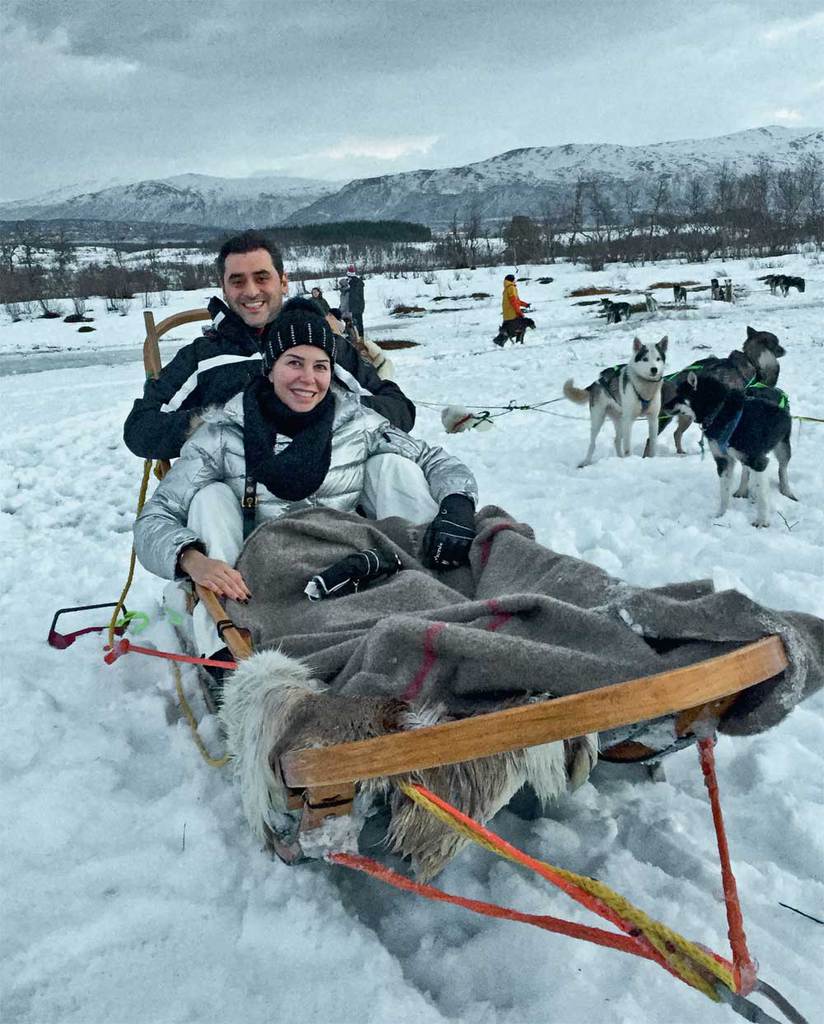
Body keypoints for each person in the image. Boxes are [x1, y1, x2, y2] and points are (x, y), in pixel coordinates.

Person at [133, 298, 478, 664]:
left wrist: (457, 503)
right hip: (262, 583)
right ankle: (227, 646)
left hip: (347, 568)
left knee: (394, 466)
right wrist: (189, 558)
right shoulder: (222, 435)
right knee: (209, 497)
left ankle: (438, 589)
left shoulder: (354, 422)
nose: (308, 379)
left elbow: (434, 459)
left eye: (320, 367)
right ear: (269, 368)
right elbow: (154, 518)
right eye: (294, 363)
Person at [123, 232, 414, 461]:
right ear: (224, 289)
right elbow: (141, 428)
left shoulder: (323, 345)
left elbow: (400, 410)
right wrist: (226, 421)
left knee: (394, 471)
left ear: (283, 282)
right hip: (236, 497)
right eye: (237, 282)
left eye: (262, 278)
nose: (251, 291)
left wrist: (320, 411)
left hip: (335, 487)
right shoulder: (203, 356)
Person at [339, 265, 366, 337]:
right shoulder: (352, 284)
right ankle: (357, 337)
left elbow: (355, 296)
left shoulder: (355, 283)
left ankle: (360, 337)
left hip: (355, 307)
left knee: (357, 323)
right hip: (353, 308)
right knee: (354, 324)